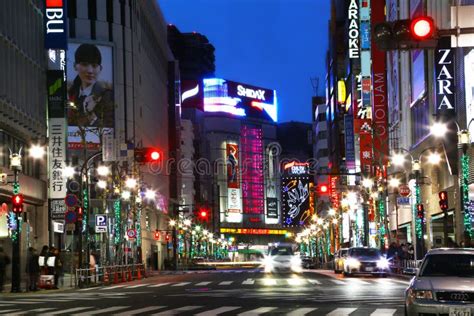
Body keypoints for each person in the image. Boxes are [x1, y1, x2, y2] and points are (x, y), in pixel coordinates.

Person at [68, 43, 113, 127]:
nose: (90, 70)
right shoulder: (70, 94)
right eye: (84, 64)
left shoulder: (108, 96)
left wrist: (90, 114)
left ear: (100, 68)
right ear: (75, 66)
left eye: (94, 65)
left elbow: (108, 130)